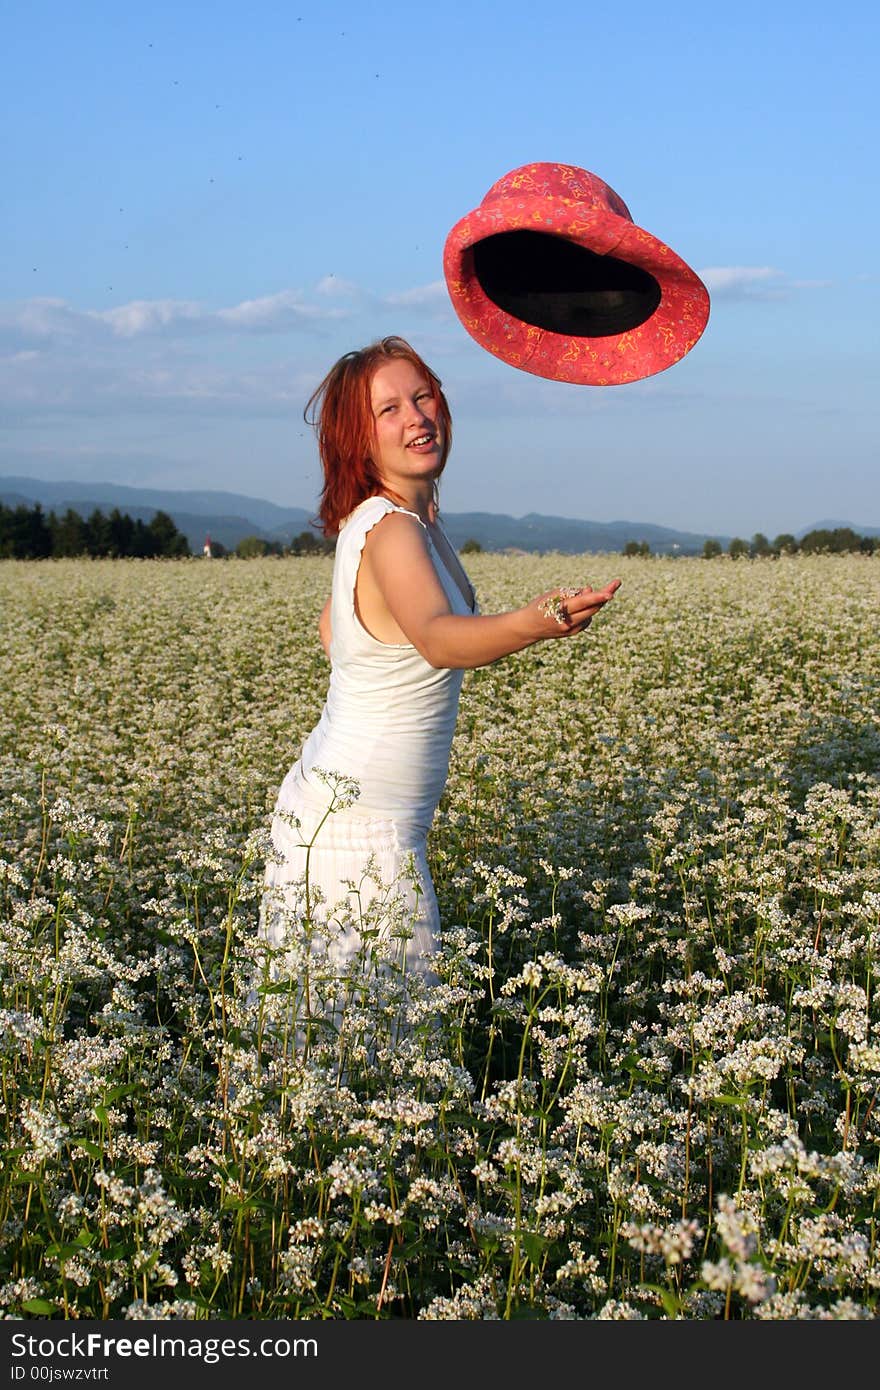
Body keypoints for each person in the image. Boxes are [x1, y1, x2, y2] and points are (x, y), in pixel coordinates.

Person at [259, 335, 621, 1036]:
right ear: (358, 438)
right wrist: (538, 620)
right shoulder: (393, 529)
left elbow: (336, 632)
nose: (416, 417)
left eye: (423, 396)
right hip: (361, 832)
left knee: (333, 1050)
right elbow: (433, 636)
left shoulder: (400, 522)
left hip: (338, 808)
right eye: (388, 408)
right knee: (387, 1058)